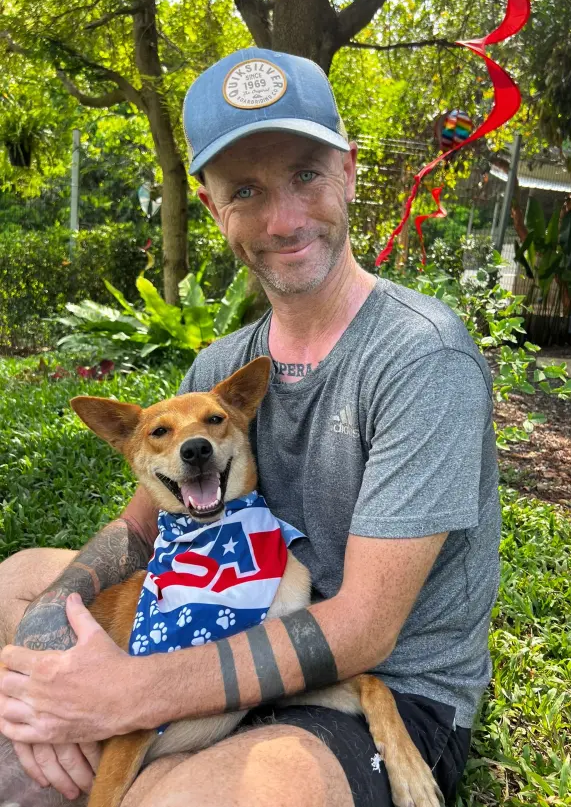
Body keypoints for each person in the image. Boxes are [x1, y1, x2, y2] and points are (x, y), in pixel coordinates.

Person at [0, 47, 501, 807]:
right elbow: (139, 531)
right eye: (246, 190)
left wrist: (128, 692)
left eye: (305, 174)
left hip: (380, 684)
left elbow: (365, 629)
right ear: (214, 208)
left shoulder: (421, 357)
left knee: (247, 795)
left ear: (349, 172)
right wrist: (45, 652)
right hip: (220, 614)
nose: (283, 218)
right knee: (16, 580)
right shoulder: (223, 364)